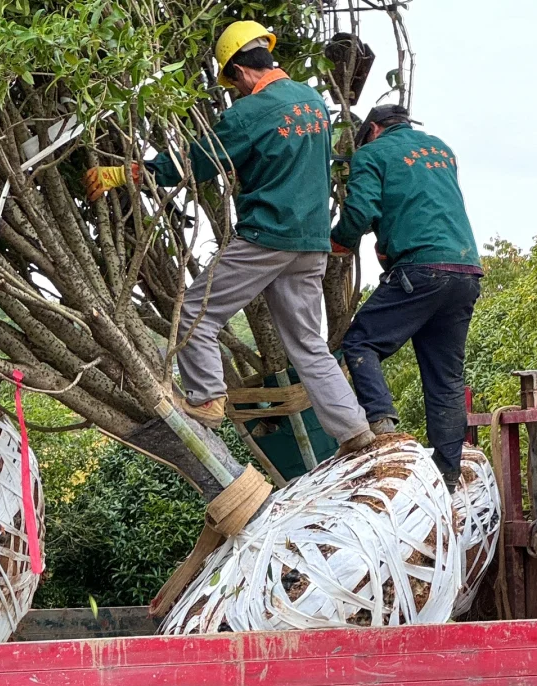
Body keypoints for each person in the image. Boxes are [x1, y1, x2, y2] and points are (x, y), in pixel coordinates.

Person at [85, 21, 373, 455]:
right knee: (309, 345)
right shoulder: (313, 102)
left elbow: (199, 161)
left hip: (268, 237)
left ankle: (206, 399)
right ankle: (355, 430)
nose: (236, 91)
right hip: (311, 244)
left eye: (233, 82)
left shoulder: (249, 112)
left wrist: (131, 173)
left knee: (194, 314)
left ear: (238, 70)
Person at [331, 105, 482, 490]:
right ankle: (448, 480)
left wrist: (339, 241)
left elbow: (360, 210)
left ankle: (382, 426)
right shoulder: (441, 149)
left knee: (360, 342)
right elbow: (419, 201)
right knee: (445, 380)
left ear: (374, 129)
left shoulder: (372, 153)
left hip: (421, 268)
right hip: (465, 271)